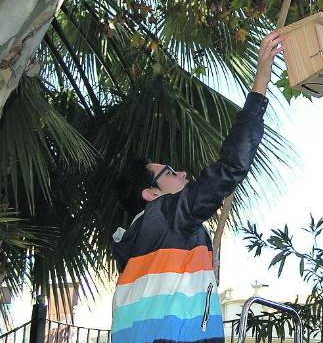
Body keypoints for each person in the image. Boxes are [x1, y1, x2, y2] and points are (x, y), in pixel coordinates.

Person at [110, 31, 284, 342]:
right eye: (168, 172)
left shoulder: (136, 245)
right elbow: (230, 167)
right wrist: (261, 81)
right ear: (151, 194)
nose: (182, 172)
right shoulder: (164, 215)